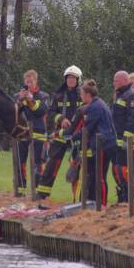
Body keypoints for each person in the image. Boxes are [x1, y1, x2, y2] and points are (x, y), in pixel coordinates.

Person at [37, 65, 83, 199]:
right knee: (52, 164)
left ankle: (78, 199)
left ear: (78, 80)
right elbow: (51, 113)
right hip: (61, 135)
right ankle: (42, 194)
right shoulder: (58, 95)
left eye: (73, 78)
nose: (70, 80)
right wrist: (61, 119)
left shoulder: (83, 95)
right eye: (68, 78)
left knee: (76, 168)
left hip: (77, 136)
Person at [70, 79, 117, 206]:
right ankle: (93, 203)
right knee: (94, 176)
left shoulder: (95, 107)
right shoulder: (97, 104)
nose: (80, 96)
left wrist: (71, 137)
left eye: (81, 94)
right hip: (99, 145)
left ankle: (101, 205)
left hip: (103, 146)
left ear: (87, 95)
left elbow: (87, 129)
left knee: (99, 177)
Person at [16, 69, 50, 193]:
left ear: (36, 82)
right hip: (23, 133)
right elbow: (13, 113)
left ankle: (38, 191)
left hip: (39, 134)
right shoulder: (18, 96)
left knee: (38, 164)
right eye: (27, 82)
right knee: (20, 162)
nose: (29, 84)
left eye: (31, 82)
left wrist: (31, 100)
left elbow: (40, 111)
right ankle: (21, 190)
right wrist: (19, 100)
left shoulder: (44, 96)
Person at [110, 70, 134, 203]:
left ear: (123, 80)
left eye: (116, 80)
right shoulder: (120, 94)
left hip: (124, 140)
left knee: (122, 168)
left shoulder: (130, 95)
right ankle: (122, 194)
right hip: (116, 138)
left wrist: (126, 140)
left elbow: (133, 119)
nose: (113, 83)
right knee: (115, 168)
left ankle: (129, 196)